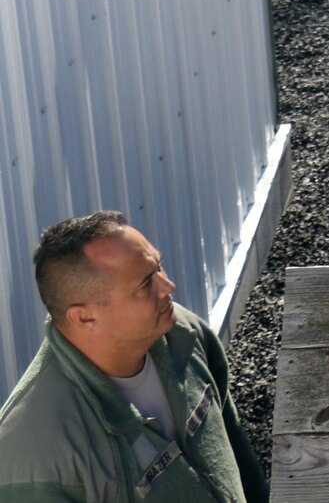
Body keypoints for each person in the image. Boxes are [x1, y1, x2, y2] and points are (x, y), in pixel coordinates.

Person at [0, 212, 268, 502]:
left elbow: (238, 453)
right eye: (145, 284)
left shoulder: (183, 333)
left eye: (159, 268)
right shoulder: (34, 450)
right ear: (85, 317)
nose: (168, 287)